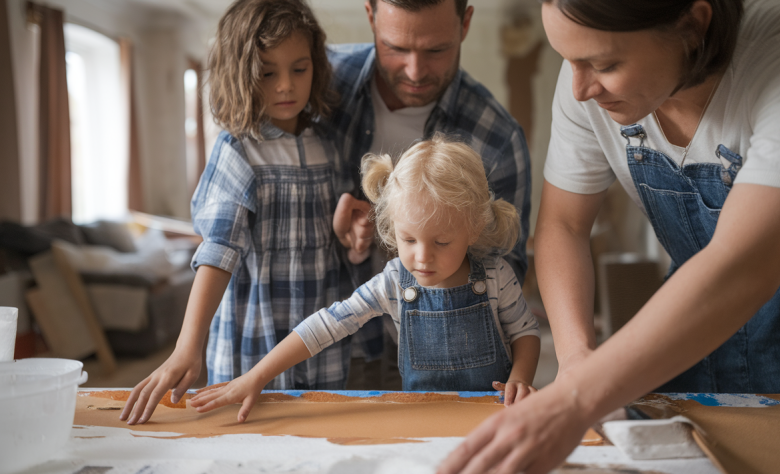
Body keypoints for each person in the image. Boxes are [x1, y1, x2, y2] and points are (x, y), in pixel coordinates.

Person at [440, 0, 780, 472]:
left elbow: (743, 264)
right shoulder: (585, 83)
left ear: (692, 24)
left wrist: (576, 400)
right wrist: (576, 362)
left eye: (605, 65)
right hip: (688, 320)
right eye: (568, 59)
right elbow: (563, 227)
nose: (580, 89)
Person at [189, 135, 542, 421]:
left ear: (474, 227)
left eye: (442, 242)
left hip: (495, 417)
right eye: (408, 239)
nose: (422, 256)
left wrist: (520, 379)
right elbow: (326, 325)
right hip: (421, 421)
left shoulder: (495, 276)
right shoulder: (393, 282)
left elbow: (525, 332)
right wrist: (256, 377)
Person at [120, 0, 357, 425]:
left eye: (299, 69)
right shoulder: (237, 150)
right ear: (241, 74)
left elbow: (338, 228)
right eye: (267, 73)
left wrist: (353, 231)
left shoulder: (330, 144)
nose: (286, 85)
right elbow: (219, 248)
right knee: (250, 442)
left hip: (320, 340)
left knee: (318, 438)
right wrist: (188, 344)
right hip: (254, 338)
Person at [324, 0, 533, 382]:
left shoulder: (498, 138)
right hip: (338, 353)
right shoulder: (316, 84)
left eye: (436, 50)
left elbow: (506, 281)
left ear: (465, 23)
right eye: (396, 48)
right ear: (370, 16)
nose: (415, 71)